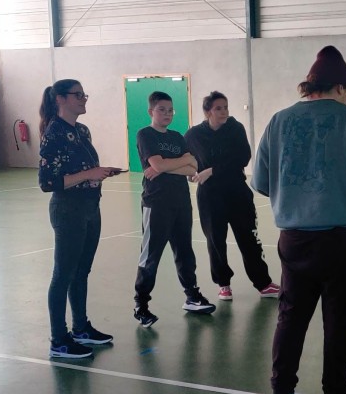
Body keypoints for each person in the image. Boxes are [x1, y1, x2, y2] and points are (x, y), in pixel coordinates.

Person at [252, 45, 346, 394]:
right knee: (340, 322)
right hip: (342, 240)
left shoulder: (279, 121)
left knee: (290, 318)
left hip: (293, 240)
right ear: (341, 87)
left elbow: (260, 181)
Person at [38, 79, 117, 359]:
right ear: (60, 99)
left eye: (84, 94)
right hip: (68, 210)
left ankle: (81, 328)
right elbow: (48, 182)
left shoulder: (82, 131)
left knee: (82, 271)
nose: (83, 99)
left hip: (90, 207)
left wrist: (99, 173)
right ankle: (59, 340)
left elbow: (84, 169)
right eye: (77, 95)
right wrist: (89, 174)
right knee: (63, 275)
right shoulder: (54, 133)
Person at [184, 91, 280, 302]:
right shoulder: (193, 135)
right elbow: (186, 159)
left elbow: (242, 157)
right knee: (215, 241)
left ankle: (263, 283)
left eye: (226, 107)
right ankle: (223, 284)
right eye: (218, 108)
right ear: (208, 112)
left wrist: (212, 170)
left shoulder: (236, 129)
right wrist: (190, 173)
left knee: (249, 239)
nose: (224, 112)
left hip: (237, 193)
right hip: (210, 197)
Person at [133, 91, 215, 328]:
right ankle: (141, 305)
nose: (167, 114)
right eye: (162, 109)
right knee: (150, 256)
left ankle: (192, 296)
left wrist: (165, 166)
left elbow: (193, 168)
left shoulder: (178, 136)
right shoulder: (145, 135)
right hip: (156, 204)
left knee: (185, 252)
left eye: (170, 110)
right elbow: (160, 164)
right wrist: (176, 162)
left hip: (181, 203)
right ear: (151, 111)